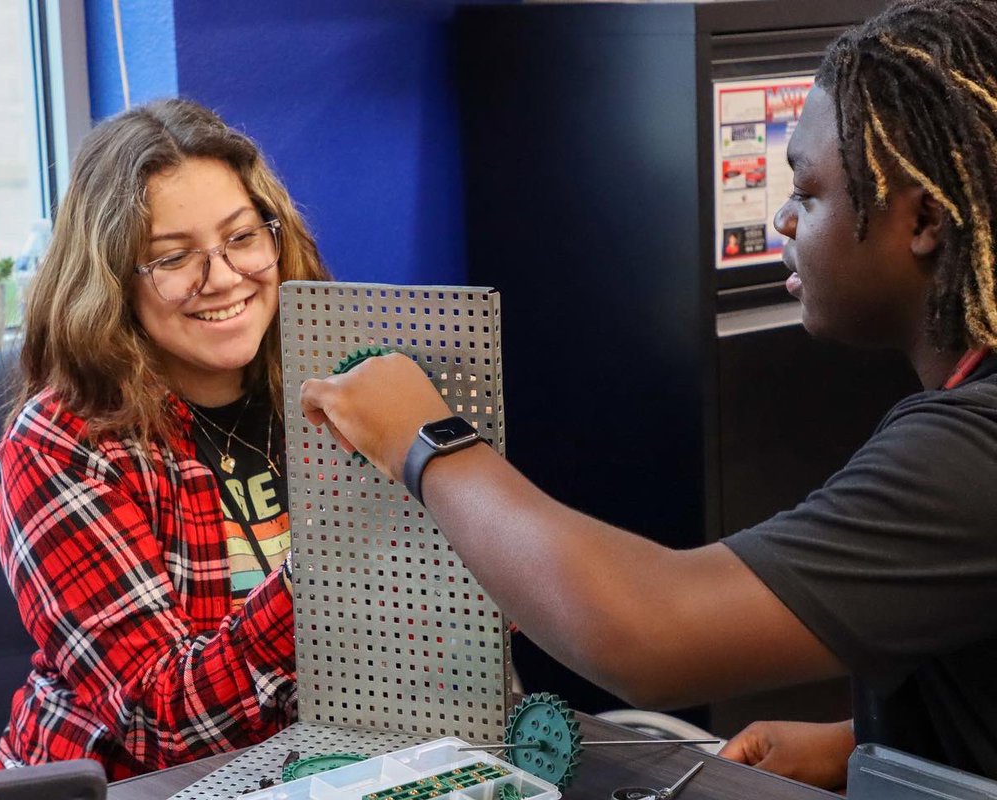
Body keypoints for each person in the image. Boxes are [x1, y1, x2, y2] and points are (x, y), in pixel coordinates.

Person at [299, 0, 997, 791]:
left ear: (925, 220)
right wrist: (865, 742)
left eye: (808, 191)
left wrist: (423, 439)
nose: (782, 217)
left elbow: (647, 630)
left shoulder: (971, 452)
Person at [0, 98, 331, 780]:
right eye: (173, 257)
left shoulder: (326, 386)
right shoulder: (63, 443)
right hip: (132, 785)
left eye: (242, 238)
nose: (225, 278)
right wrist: (332, 570)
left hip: (316, 765)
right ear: (113, 282)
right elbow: (163, 721)